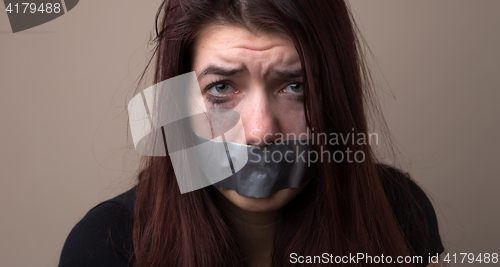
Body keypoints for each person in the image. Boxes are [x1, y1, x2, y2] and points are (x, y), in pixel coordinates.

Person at [58, 0, 444, 266]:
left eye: (295, 87)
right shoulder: (106, 248)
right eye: (222, 88)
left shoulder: (397, 213)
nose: (260, 132)